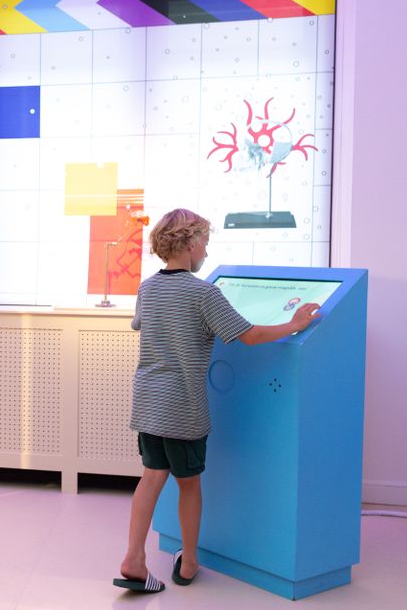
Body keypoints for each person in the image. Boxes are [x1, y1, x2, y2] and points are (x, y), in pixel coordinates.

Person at [112, 208, 320, 594]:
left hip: (148, 403)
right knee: (189, 484)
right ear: (190, 243)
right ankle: (190, 561)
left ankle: (133, 558)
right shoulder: (203, 292)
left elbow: (143, 325)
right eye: (205, 243)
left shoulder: (147, 288)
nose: (206, 251)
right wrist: (295, 324)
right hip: (182, 408)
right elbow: (249, 335)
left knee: (151, 477)